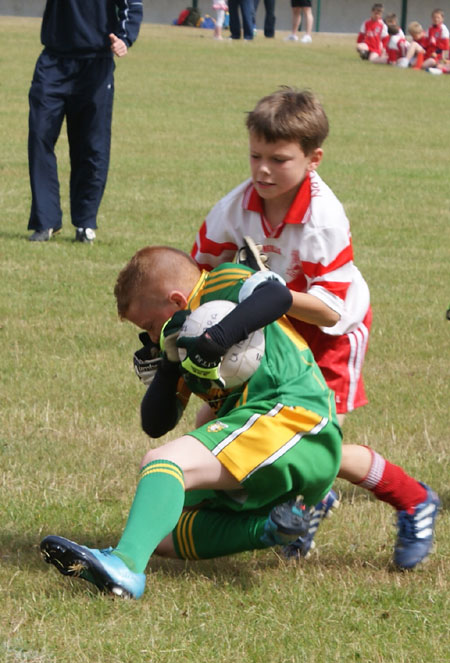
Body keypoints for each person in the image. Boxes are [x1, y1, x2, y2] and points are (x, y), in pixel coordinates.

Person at [40, 247, 440, 599]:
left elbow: (277, 295)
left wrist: (216, 339)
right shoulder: (179, 338)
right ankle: (270, 529)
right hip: (278, 455)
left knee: (165, 462)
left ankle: (125, 566)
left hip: (291, 416)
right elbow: (155, 422)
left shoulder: (221, 284)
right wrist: (168, 364)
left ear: (177, 299)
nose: (148, 337)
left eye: (148, 327)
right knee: (160, 534)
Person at [188, 87, 440, 562]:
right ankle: (298, 505)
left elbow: (328, 310)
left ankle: (413, 500)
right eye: (255, 155)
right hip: (278, 332)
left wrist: (269, 296)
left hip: (332, 334)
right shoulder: (235, 207)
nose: (262, 169)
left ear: (313, 158)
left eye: (278, 159)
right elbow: (201, 269)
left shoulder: (323, 219)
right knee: (224, 422)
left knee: (313, 441)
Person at [27, 0, 143, 243]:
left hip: (96, 64)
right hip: (54, 60)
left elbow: (132, 4)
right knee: (39, 136)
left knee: (92, 146)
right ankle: (45, 222)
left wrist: (125, 37)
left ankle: (85, 222)